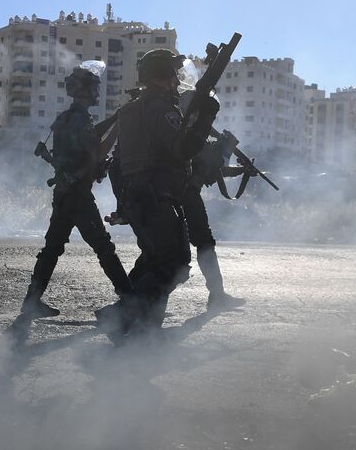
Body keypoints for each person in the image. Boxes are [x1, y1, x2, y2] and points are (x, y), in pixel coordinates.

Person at [102, 48, 219, 336]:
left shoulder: (129, 111)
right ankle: (120, 316)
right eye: (173, 73)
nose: (178, 80)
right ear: (164, 74)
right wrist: (205, 119)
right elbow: (182, 150)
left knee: (154, 260)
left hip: (139, 197)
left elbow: (116, 164)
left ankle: (142, 330)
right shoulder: (162, 109)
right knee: (174, 263)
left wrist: (125, 204)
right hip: (158, 198)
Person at [17, 64, 131, 321]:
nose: (96, 92)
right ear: (85, 90)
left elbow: (90, 135)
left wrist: (115, 117)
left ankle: (31, 302)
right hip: (79, 195)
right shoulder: (80, 120)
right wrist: (119, 126)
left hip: (64, 193)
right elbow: (98, 153)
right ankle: (130, 298)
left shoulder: (68, 118)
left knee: (51, 249)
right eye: (94, 88)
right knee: (104, 248)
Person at [180, 129, 245, 309]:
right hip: (185, 194)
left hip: (179, 193)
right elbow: (215, 165)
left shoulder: (192, 135)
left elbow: (214, 170)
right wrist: (226, 149)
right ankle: (217, 296)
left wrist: (241, 170)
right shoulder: (192, 136)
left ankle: (137, 299)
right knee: (203, 243)